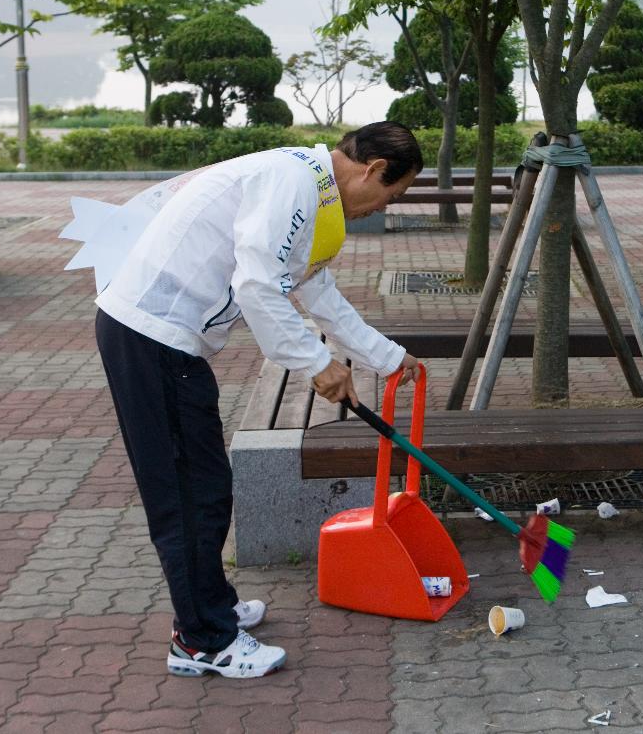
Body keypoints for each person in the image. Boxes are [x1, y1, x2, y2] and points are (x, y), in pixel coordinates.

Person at [94, 121, 424, 678]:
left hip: (169, 343)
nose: (387, 205)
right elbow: (256, 286)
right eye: (395, 192)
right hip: (151, 338)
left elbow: (317, 292)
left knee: (203, 485)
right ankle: (202, 640)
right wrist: (317, 366)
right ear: (371, 170)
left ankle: (210, 609)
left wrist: (389, 358)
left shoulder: (315, 194)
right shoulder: (291, 182)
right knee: (191, 494)